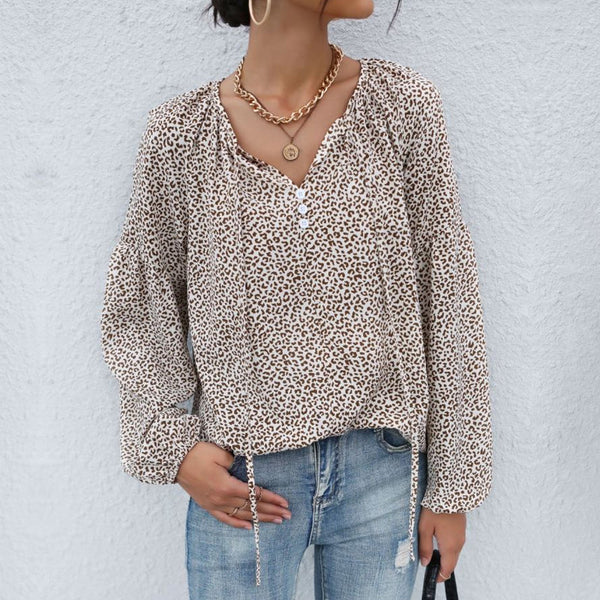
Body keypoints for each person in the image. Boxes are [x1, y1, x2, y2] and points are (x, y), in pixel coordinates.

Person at [100, 1, 493, 598]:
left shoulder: (400, 107)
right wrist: (171, 447)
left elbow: (450, 293)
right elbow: (140, 304)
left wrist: (453, 485)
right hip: (243, 478)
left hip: (383, 470)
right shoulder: (181, 135)